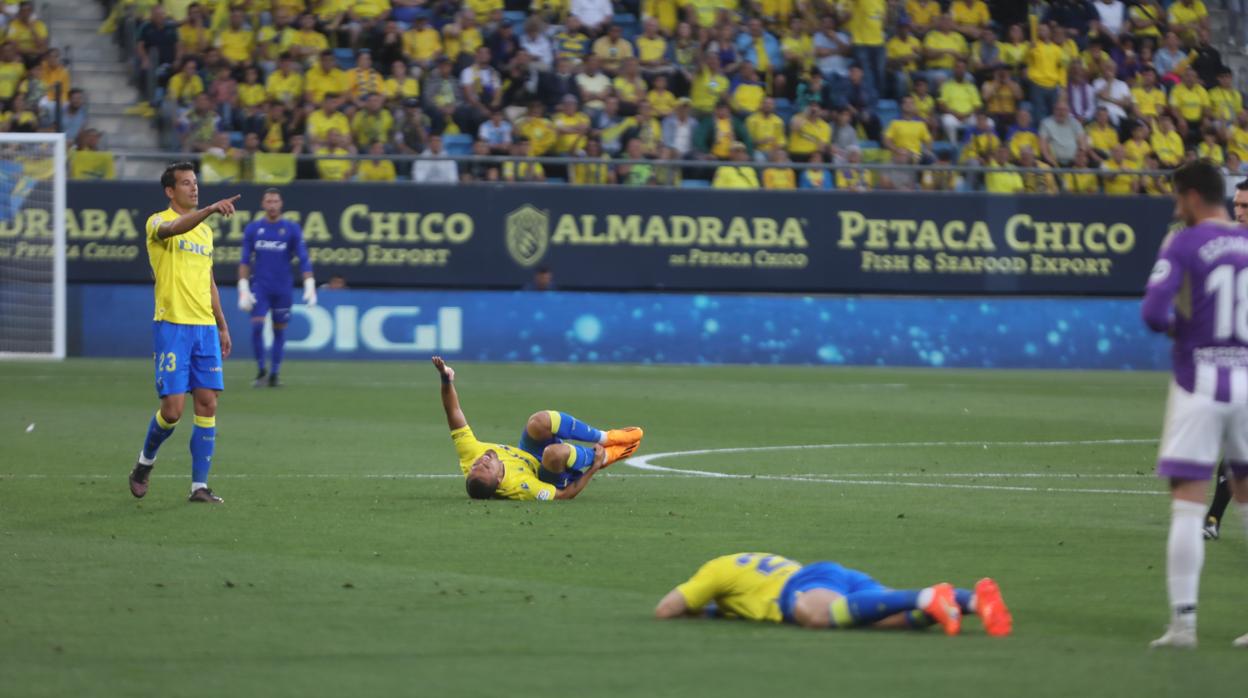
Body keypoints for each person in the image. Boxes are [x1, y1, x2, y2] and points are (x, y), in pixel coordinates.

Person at [1142, 160, 1248, 649]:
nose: (1175, 207)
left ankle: (1183, 625)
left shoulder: (1182, 243)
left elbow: (1153, 313)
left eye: (1176, 198)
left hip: (1198, 381)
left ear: (1189, 196)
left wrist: (1183, 328)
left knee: (1187, 504)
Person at [128, 163, 239, 505]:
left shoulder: (205, 234)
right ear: (169, 191)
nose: (194, 188)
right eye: (186, 184)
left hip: (204, 327)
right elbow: (174, 228)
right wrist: (207, 210)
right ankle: (144, 464)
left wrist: (221, 323)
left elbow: (208, 280)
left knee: (207, 403)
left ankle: (199, 487)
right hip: (172, 325)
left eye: (195, 183)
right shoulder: (157, 221)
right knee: (173, 411)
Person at [653, 552, 1013, 638]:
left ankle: (927, 598)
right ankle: (973, 602)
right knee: (893, 621)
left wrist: (704, 610)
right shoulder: (745, 564)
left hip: (803, 586)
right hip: (830, 576)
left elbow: (667, 609)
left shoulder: (715, 570)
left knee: (818, 617)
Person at [430, 357, 643, 501]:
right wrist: (595, 467)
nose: (482, 460)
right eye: (486, 468)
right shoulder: (523, 488)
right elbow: (565, 495)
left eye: (476, 465)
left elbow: (454, 413)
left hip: (529, 454)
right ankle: (605, 455)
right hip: (546, 473)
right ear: (498, 482)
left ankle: (605, 437)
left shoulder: (470, 455)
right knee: (554, 453)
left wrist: (445, 380)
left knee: (538, 421)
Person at [237, 188, 315, 389]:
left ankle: (275, 373)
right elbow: (245, 260)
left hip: (283, 288)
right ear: (263, 204)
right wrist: (243, 287)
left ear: (281, 204)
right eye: (268, 201)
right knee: (257, 327)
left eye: (275, 201)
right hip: (260, 287)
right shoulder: (254, 229)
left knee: (279, 331)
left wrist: (309, 284)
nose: (272, 205)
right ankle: (261, 370)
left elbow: (303, 258)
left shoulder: (291, 229)